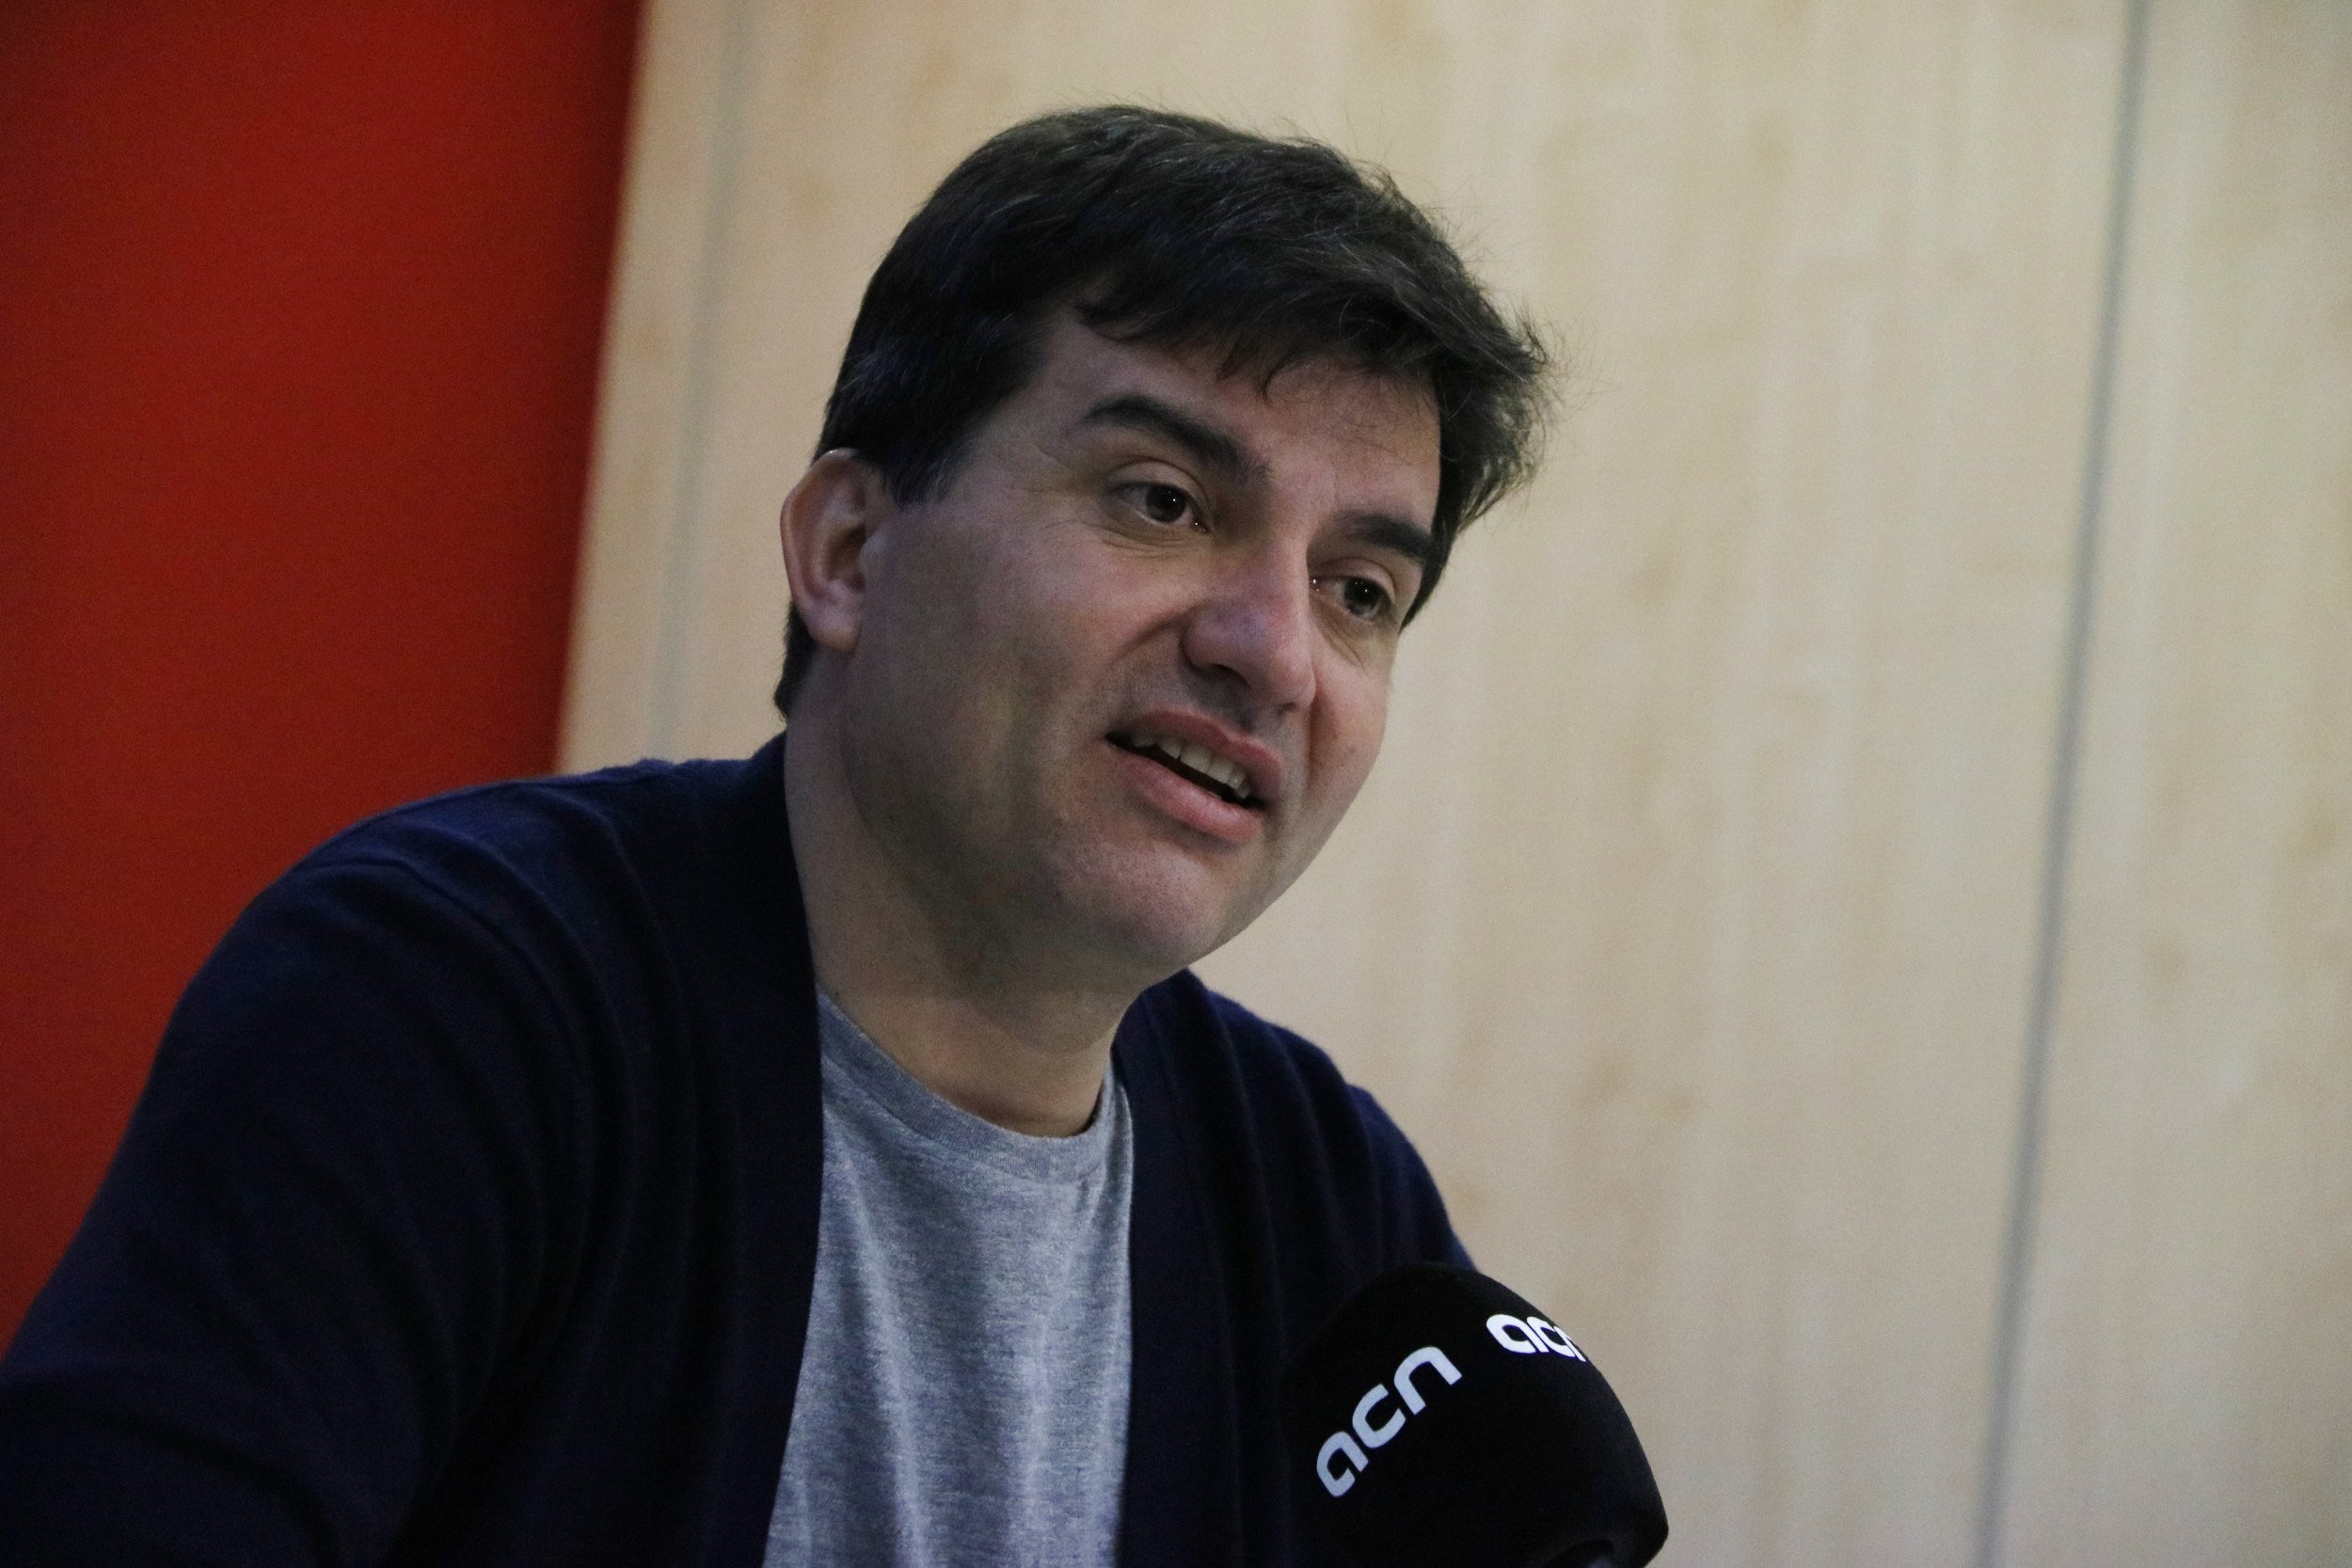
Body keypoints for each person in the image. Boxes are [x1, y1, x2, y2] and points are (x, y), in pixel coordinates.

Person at [0, 105, 1551, 1565]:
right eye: (1162, 501)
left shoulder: (1325, 1209)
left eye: (1360, 591)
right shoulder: (440, 1006)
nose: (1275, 653)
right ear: (851, 552)